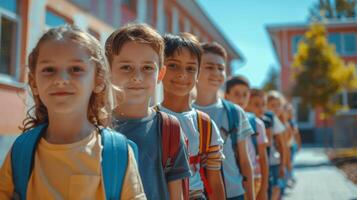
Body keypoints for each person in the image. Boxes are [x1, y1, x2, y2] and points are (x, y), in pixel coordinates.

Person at [0, 25, 145, 200]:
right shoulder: (21, 151)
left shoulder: (116, 152)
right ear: (34, 82)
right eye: (49, 70)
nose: (61, 79)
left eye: (76, 69)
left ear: (98, 80)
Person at [105, 23, 191, 200]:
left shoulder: (170, 129)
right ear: (108, 71)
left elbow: (177, 194)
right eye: (126, 67)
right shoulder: (95, 126)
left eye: (147, 68)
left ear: (160, 74)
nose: (137, 76)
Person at [158, 33, 225, 200]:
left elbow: (215, 181)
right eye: (173, 65)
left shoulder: (205, 124)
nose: (182, 74)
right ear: (160, 69)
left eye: (190, 68)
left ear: (197, 74)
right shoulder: (149, 119)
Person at [193, 42, 255, 200]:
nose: (216, 72)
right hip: (197, 195)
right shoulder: (185, 114)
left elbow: (245, 160)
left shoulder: (234, 112)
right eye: (209, 67)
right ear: (195, 70)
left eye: (221, 68)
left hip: (235, 193)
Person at [225, 76, 269, 200]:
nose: (241, 98)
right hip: (230, 179)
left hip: (254, 178)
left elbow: (263, 158)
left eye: (245, 94)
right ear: (227, 95)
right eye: (237, 94)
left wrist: (264, 189)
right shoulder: (222, 120)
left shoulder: (257, 124)